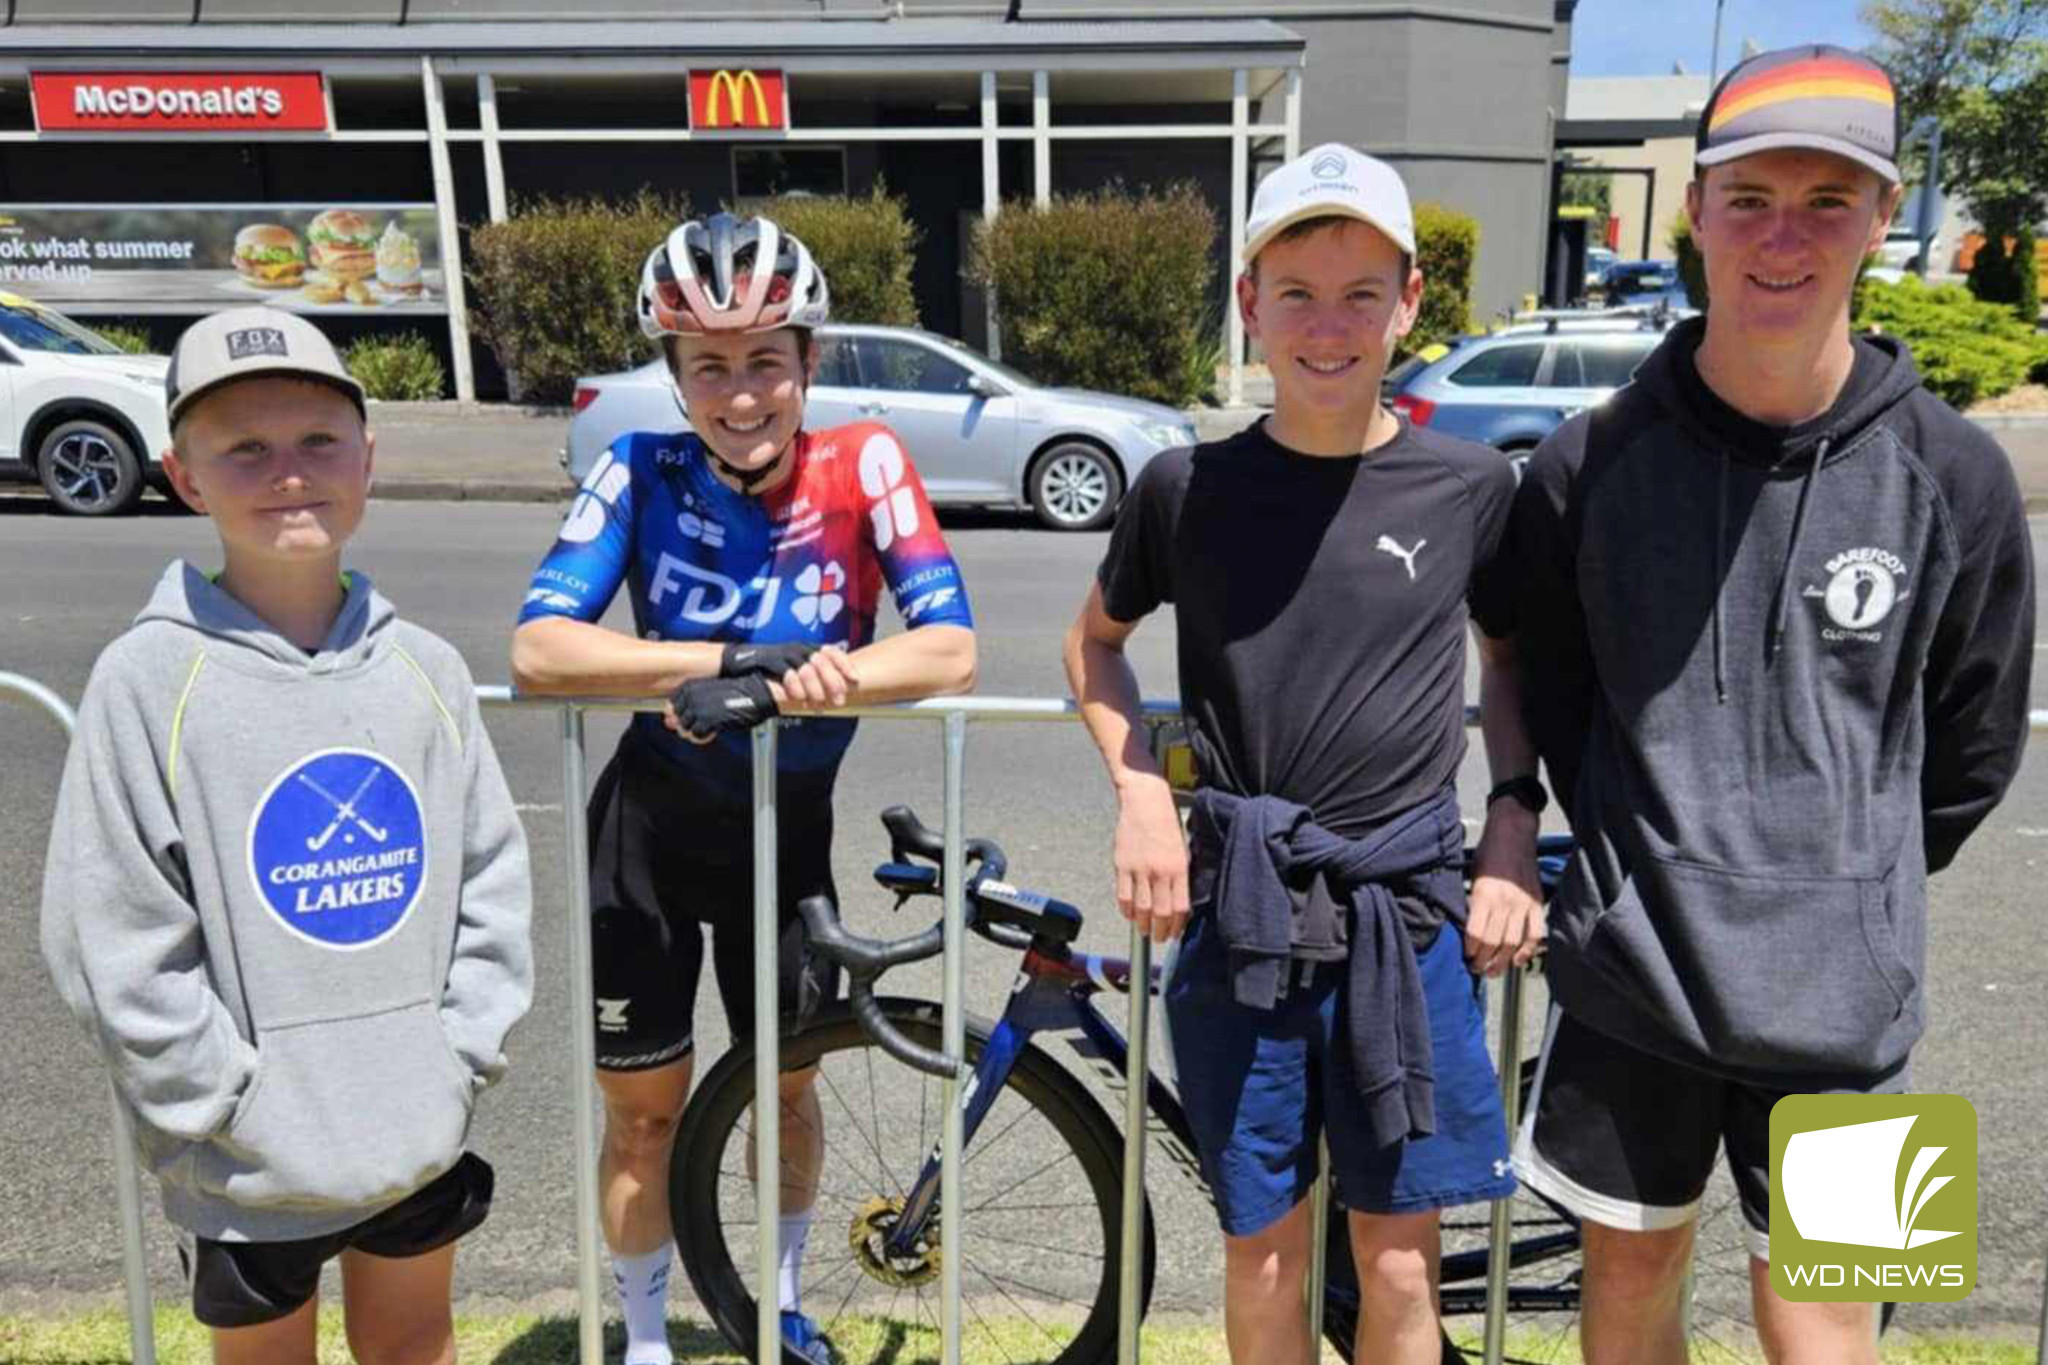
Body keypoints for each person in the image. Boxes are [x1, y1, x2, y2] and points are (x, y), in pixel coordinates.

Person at [1497, 46, 2036, 1365]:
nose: (1784, 237)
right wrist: (1609, 844)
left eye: (1829, 201)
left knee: (1829, 1330)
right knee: (1626, 1302)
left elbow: (1974, 740)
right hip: (1635, 985)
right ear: (1694, 207)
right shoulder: (1588, 463)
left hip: (1852, 1000)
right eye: (1751, 198)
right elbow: (1535, 666)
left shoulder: (1958, 477)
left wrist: (1854, 879)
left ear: (1883, 216)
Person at [1063, 144, 1546, 1365]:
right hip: (1243, 914)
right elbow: (1096, 650)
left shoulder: (1471, 488)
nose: (1326, 327)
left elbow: (1508, 663)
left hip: (1407, 912)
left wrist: (1506, 829)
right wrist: (1143, 793)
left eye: (1359, 294)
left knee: (1395, 1254)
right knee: (1262, 1244)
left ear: (1411, 303)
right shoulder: (1185, 487)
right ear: (1247, 303)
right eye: (1294, 293)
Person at [510, 211, 976, 1365]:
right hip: (649, 832)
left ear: (808, 362)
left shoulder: (863, 459)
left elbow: (950, 649)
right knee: (647, 1113)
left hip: (787, 830)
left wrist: (789, 693)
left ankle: (770, 1306)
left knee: (785, 1092)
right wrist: (718, 662)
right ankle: (646, 1337)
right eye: (708, 366)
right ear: (672, 375)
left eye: (765, 359)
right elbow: (540, 652)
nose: (741, 394)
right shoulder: (636, 466)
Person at [40, 306, 535, 1365]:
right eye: (245, 449)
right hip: (247, 1163)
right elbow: (113, 938)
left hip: (416, 1129)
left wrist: (455, 1059)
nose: (290, 473)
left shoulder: (426, 671)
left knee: (416, 1348)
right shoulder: (148, 682)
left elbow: (490, 883)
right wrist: (223, 1105)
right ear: (185, 475)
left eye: (318, 440)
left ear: (368, 457)